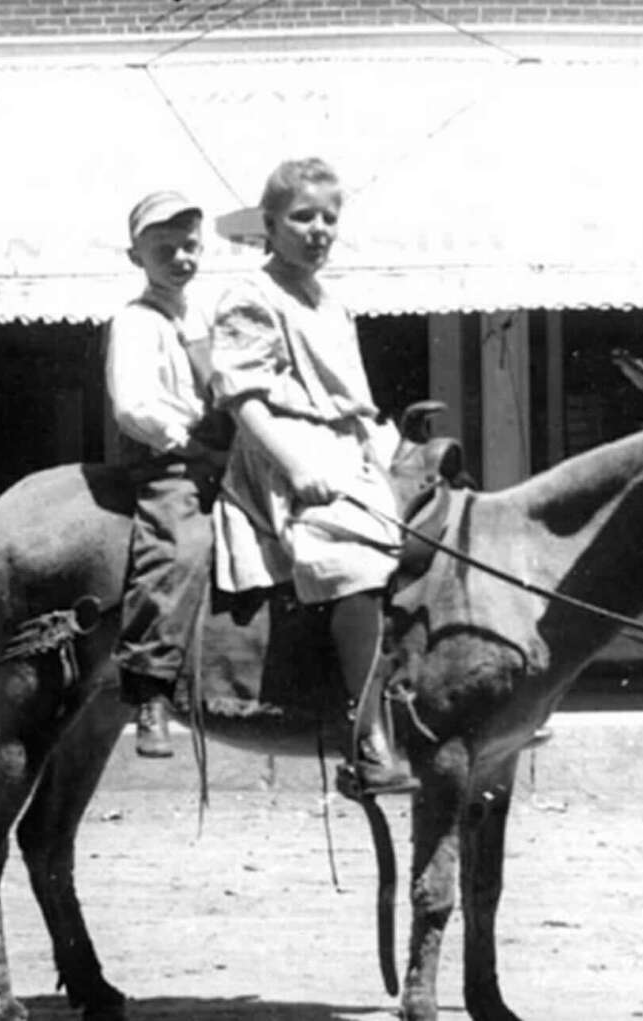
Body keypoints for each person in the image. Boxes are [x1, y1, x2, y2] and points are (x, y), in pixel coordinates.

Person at [207, 157, 417, 797]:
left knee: (442, 529)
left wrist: (397, 452)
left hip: (351, 446)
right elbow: (244, 399)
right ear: (269, 225)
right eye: (302, 217)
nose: (318, 229)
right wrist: (296, 466)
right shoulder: (252, 297)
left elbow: (353, 400)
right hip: (286, 450)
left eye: (330, 217)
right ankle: (366, 735)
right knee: (352, 556)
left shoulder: (332, 303)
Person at [106, 190, 230, 758]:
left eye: (189, 247)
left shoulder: (203, 316)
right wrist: (183, 440)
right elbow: (132, 406)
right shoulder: (136, 322)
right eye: (164, 250)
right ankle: (151, 687)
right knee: (178, 547)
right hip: (170, 459)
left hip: (223, 452)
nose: (181, 259)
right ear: (137, 258)